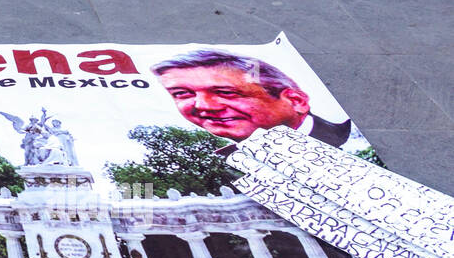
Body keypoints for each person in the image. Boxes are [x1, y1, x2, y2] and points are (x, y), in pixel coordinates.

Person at [150, 48, 366, 152]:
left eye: (226, 92)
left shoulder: (352, 142)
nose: (204, 106)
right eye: (182, 94)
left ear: (296, 100)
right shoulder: (226, 160)